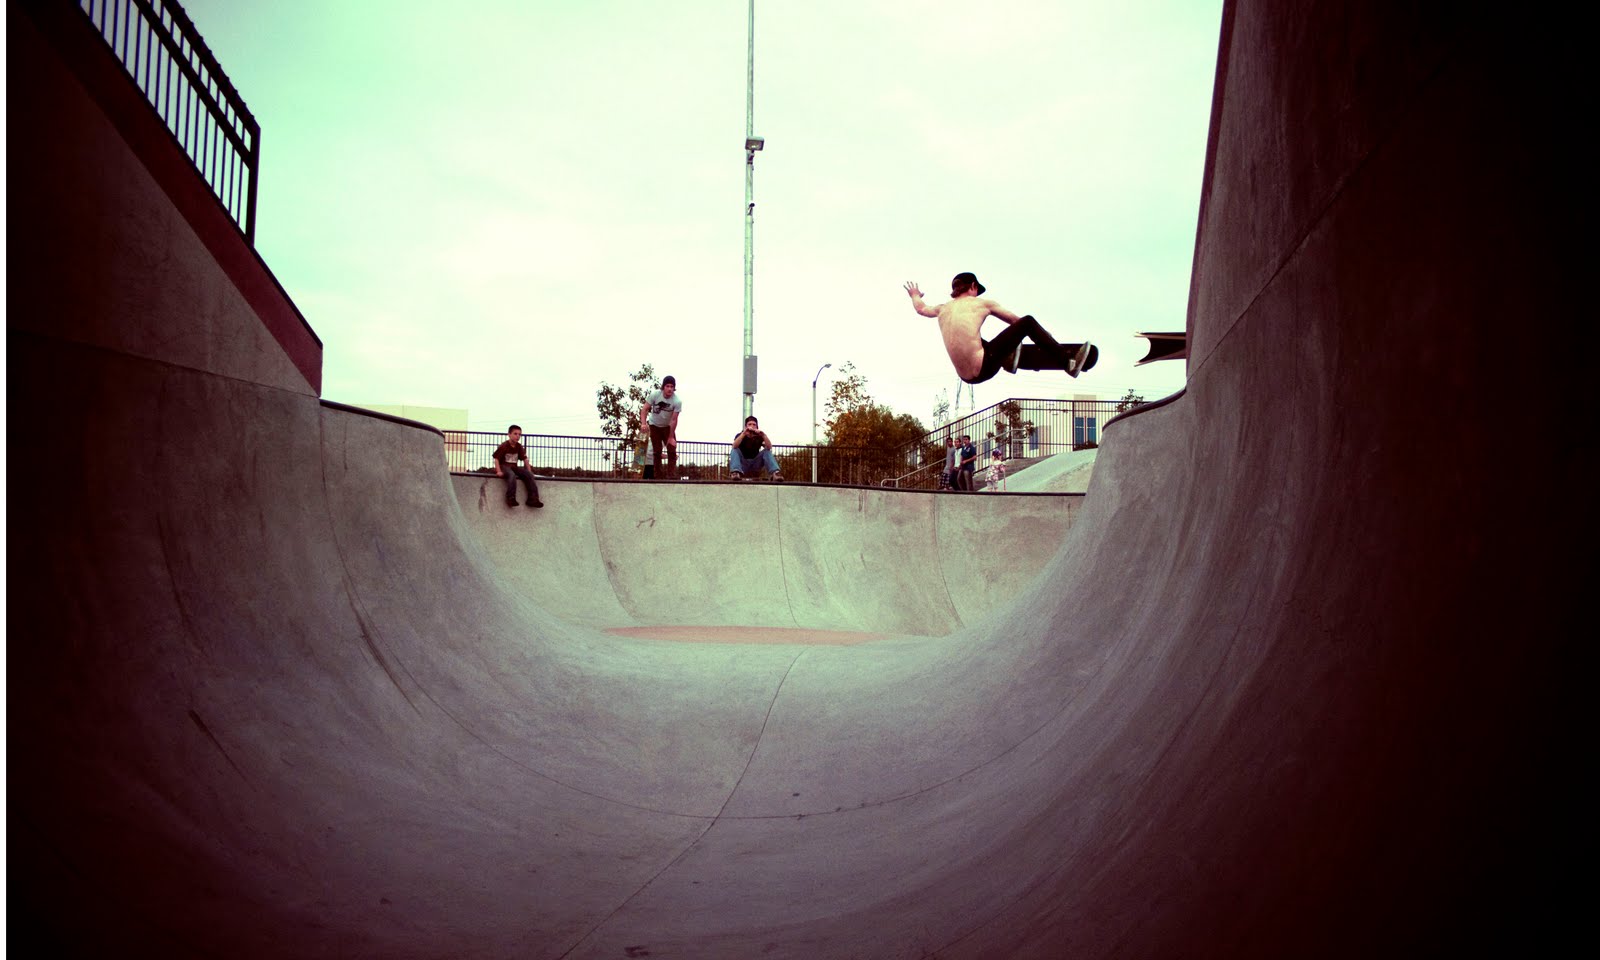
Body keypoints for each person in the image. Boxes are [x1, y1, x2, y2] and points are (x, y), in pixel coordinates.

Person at [904, 272, 1094, 384]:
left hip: (965, 376)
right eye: (976, 290)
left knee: (971, 338)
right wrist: (1044, 336)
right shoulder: (982, 304)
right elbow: (1015, 321)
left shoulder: (942, 309)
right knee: (1028, 322)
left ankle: (1008, 358)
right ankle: (1068, 362)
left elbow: (921, 308)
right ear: (973, 286)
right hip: (984, 368)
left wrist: (914, 294)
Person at [638, 375, 682, 480]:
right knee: (657, 451)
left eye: (672, 387)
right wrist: (643, 423)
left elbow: (674, 420)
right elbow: (644, 409)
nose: (670, 389)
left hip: (667, 427)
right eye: (667, 386)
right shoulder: (655, 395)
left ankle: (671, 476)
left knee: (672, 450)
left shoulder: (677, 401)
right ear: (663, 387)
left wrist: (671, 437)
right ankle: (658, 476)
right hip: (654, 426)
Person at [492, 424, 543, 508]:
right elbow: (496, 459)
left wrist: (529, 471)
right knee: (511, 475)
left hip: (514, 467)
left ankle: (533, 499)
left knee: (529, 475)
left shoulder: (519, 446)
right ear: (509, 434)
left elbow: (525, 459)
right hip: (504, 466)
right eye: (515, 434)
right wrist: (498, 471)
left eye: (519, 434)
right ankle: (510, 498)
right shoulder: (504, 446)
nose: (517, 436)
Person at [730, 415, 783, 480]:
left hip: (755, 464)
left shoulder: (759, 437)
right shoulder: (740, 435)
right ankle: (735, 472)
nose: (752, 426)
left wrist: (764, 435)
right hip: (743, 465)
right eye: (749, 424)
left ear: (757, 427)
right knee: (734, 449)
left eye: (754, 424)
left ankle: (775, 473)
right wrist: (744, 434)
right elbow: (734, 446)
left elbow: (769, 447)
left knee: (766, 451)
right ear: (746, 426)